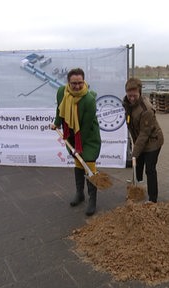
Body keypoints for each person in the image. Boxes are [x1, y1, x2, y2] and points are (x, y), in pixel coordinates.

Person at [50, 68, 101, 216]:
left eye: (80, 83)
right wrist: (56, 123)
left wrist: (79, 146)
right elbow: (60, 110)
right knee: (78, 163)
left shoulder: (89, 99)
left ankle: (93, 199)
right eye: (74, 83)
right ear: (68, 82)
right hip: (71, 133)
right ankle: (80, 193)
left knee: (89, 164)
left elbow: (85, 127)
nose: (77, 86)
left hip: (88, 136)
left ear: (84, 81)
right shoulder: (61, 92)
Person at [122, 77, 164, 203]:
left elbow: (144, 134)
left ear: (139, 92)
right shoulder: (128, 104)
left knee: (150, 169)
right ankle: (137, 191)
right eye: (129, 95)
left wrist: (134, 152)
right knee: (137, 165)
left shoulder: (146, 109)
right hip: (140, 140)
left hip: (153, 142)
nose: (132, 98)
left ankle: (152, 199)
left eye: (134, 95)